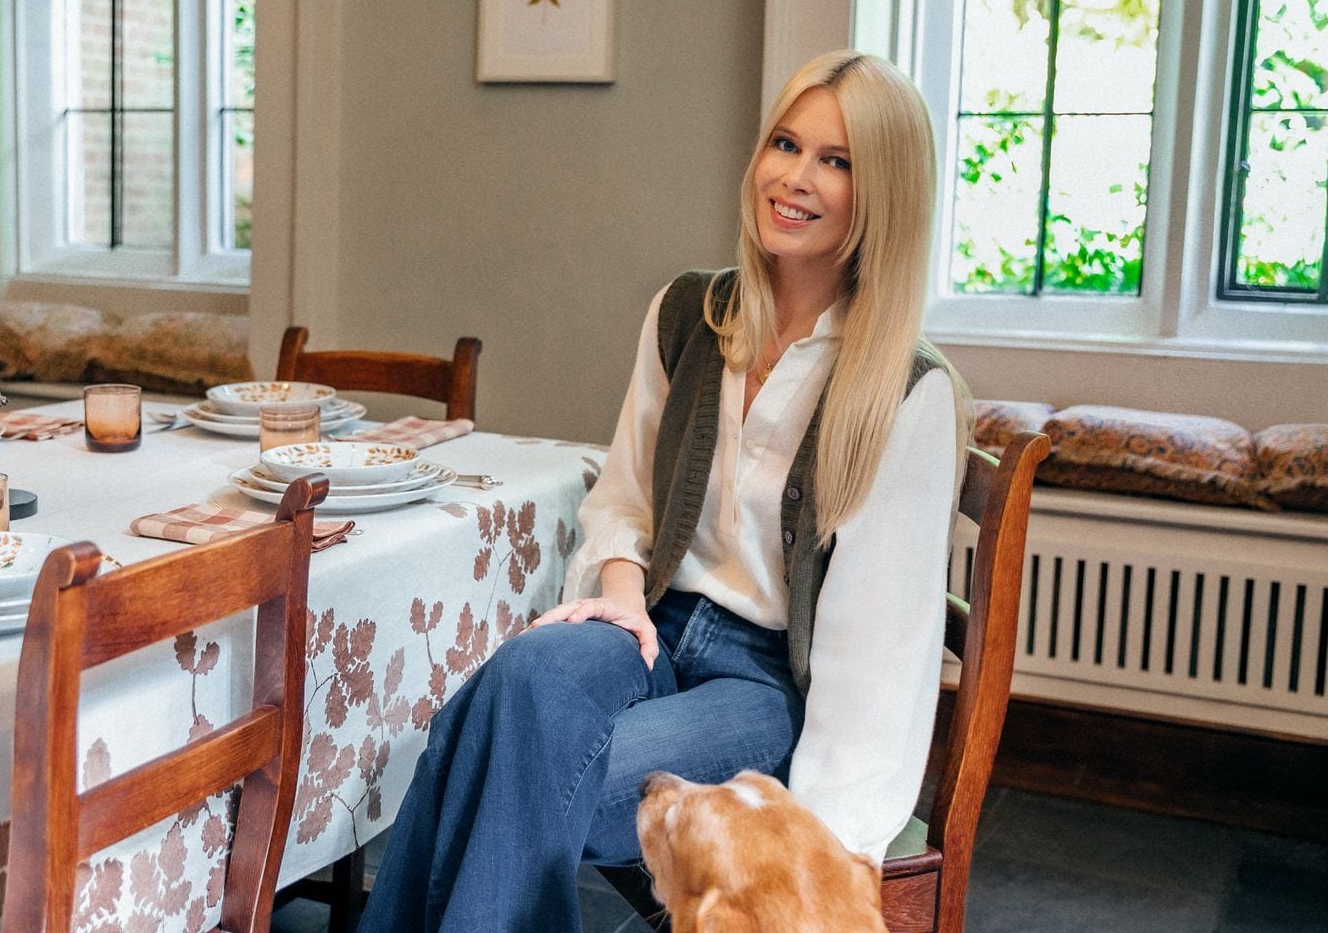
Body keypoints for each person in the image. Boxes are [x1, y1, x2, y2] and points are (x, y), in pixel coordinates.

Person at [358, 51, 974, 933]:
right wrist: (618, 599)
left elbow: (879, 651)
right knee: (527, 673)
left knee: (489, 749)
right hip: (652, 623)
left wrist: (825, 853)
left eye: (836, 162)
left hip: (765, 684)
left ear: (884, 195)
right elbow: (623, 498)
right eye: (785, 145)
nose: (795, 179)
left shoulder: (905, 391)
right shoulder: (689, 314)